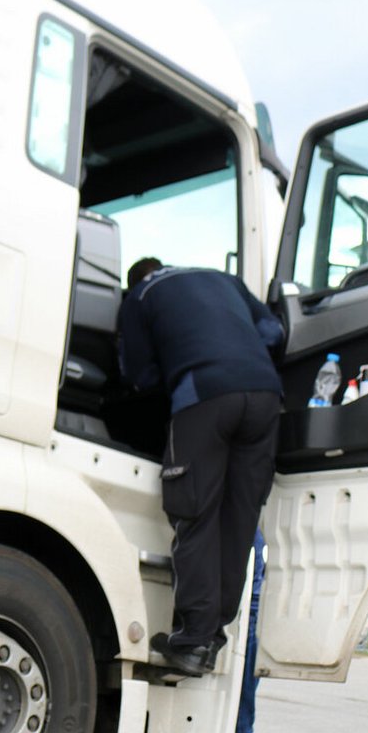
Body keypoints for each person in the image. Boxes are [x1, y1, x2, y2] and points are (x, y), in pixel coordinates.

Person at [117, 258, 283, 677]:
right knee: (239, 517)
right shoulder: (225, 279)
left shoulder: (142, 294)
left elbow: (139, 374)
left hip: (204, 396)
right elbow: (273, 331)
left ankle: (192, 640)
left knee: (195, 512)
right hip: (265, 397)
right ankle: (212, 636)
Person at [149, 530, 264, 733]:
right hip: (205, 619)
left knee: (238, 711)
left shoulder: (245, 526)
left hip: (243, 620)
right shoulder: (210, 518)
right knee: (194, 701)